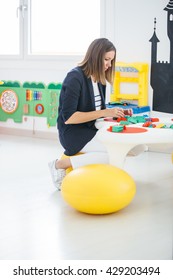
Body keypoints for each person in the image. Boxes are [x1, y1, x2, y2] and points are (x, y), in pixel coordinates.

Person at [48, 38, 128, 190]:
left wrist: (115, 114)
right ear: (95, 56)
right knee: (114, 154)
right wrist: (105, 112)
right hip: (73, 133)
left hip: (92, 127)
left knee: (129, 148)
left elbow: (97, 112)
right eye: (106, 59)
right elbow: (70, 118)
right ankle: (60, 164)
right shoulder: (74, 77)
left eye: (111, 60)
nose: (109, 65)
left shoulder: (99, 79)